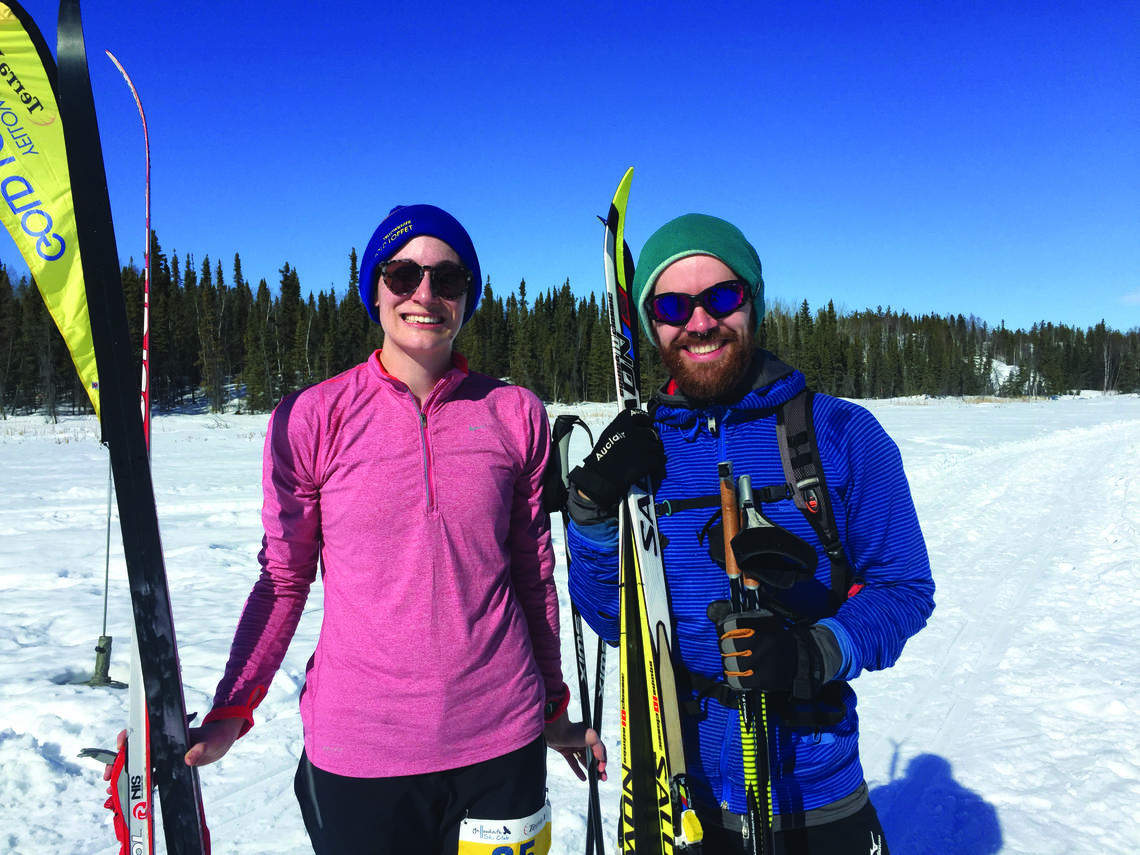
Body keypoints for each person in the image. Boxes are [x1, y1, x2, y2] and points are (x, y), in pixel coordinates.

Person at [184, 204, 606, 854]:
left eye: (448, 277)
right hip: (362, 755)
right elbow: (283, 579)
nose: (425, 294)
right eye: (402, 274)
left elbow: (534, 575)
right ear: (373, 289)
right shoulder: (310, 418)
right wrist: (232, 708)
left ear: (469, 293)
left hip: (501, 743)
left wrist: (552, 705)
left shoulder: (513, 413)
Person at [565, 213, 933, 854]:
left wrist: (808, 654)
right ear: (651, 322)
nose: (700, 322)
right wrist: (593, 515)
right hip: (679, 793)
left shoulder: (841, 436)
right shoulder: (640, 449)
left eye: (722, 297)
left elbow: (903, 590)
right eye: (673, 305)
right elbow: (610, 621)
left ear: (754, 303)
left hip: (811, 790)